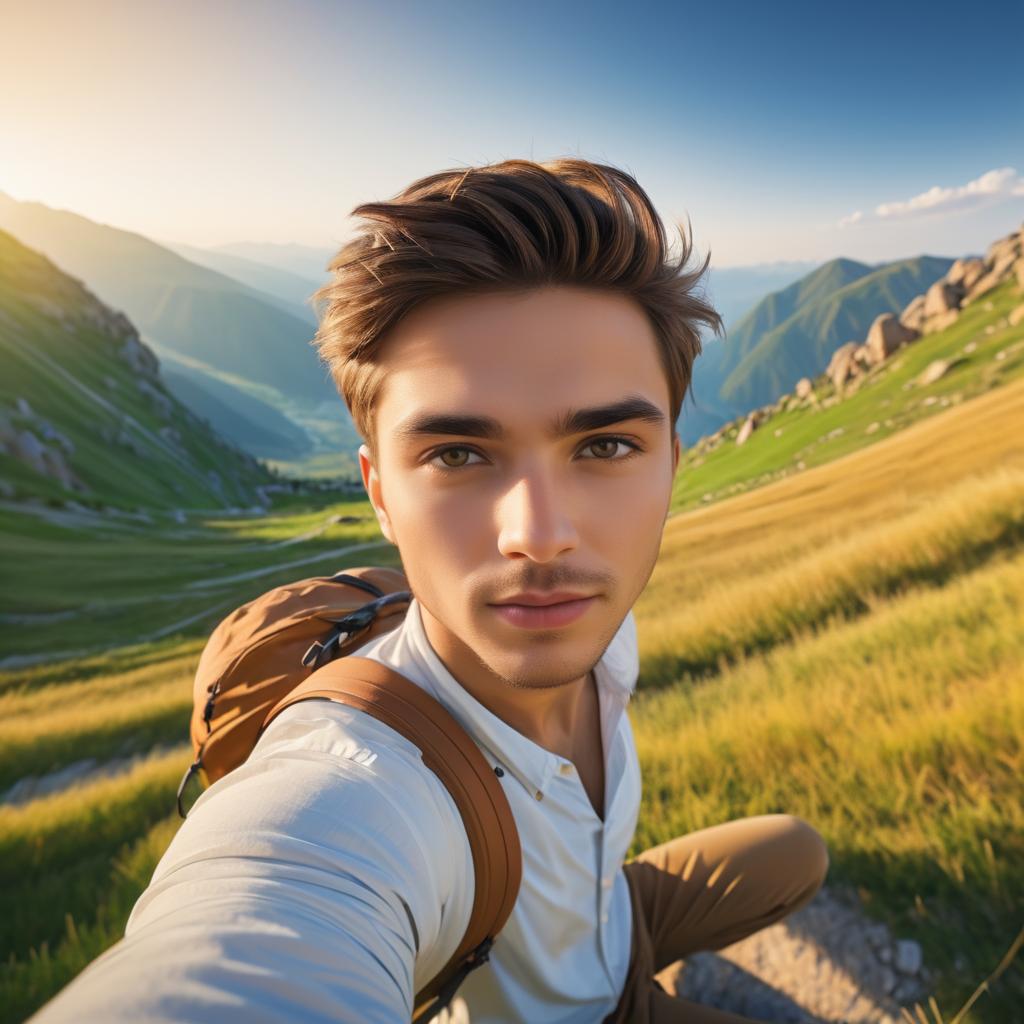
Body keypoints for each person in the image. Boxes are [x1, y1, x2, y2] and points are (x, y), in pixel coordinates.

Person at [30, 158, 829, 1024]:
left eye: (603, 447)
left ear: (674, 460)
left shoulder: (604, 629)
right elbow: (268, 914)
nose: (539, 535)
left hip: (613, 923)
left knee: (796, 851)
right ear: (379, 492)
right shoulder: (361, 790)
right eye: (456, 454)